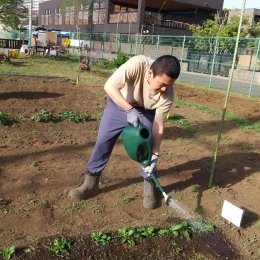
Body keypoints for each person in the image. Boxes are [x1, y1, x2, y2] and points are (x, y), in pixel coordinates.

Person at [69, 55, 181, 209]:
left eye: (169, 85)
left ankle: (149, 185)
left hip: (146, 111)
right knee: (103, 141)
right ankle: (91, 183)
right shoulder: (137, 65)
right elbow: (109, 86)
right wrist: (128, 109)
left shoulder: (167, 93)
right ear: (150, 73)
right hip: (119, 104)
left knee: (147, 148)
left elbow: (159, 124)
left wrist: (154, 155)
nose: (164, 89)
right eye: (162, 84)